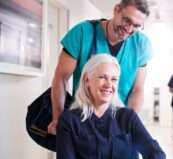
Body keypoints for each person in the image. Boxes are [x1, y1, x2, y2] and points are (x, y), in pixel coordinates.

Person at [56, 54, 167, 159]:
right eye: (102, 77)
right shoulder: (69, 120)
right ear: (87, 80)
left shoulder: (128, 118)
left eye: (114, 79)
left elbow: (157, 154)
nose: (109, 84)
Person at [48, 0, 152, 134]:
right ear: (116, 10)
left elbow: (137, 90)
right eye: (127, 20)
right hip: (82, 122)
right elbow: (60, 78)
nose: (129, 29)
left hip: (118, 126)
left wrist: (129, 125)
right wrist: (58, 120)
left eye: (137, 26)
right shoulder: (82, 33)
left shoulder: (141, 44)